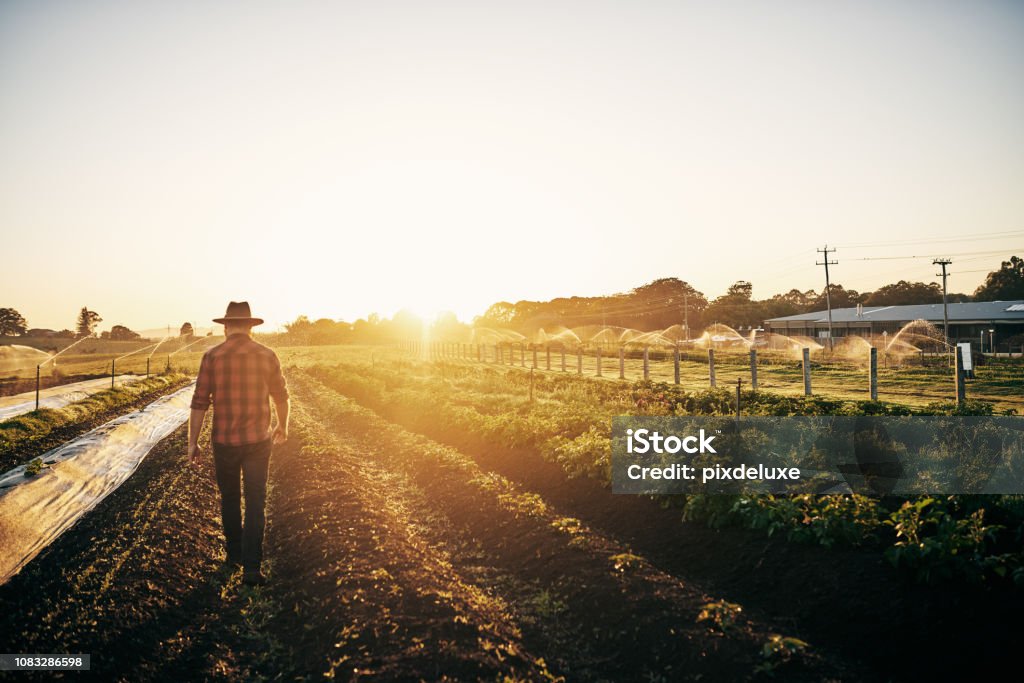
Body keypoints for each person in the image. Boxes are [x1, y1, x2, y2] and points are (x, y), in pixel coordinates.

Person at [188, 301, 289, 586]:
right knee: (256, 501)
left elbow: (199, 403)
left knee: (230, 498)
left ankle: (232, 558)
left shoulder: (212, 357)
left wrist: (192, 443)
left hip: (224, 440)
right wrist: (283, 425)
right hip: (258, 439)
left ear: (225, 327)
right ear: (250, 326)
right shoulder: (267, 355)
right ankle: (252, 568)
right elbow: (281, 396)